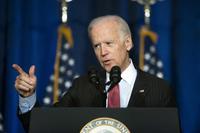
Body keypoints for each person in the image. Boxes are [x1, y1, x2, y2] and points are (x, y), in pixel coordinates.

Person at [13, 15, 176, 132]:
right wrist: (28, 96)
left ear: (128, 43)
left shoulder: (159, 89)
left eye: (108, 43)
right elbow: (44, 126)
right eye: (97, 46)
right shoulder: (82, 86)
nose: (103, 52)